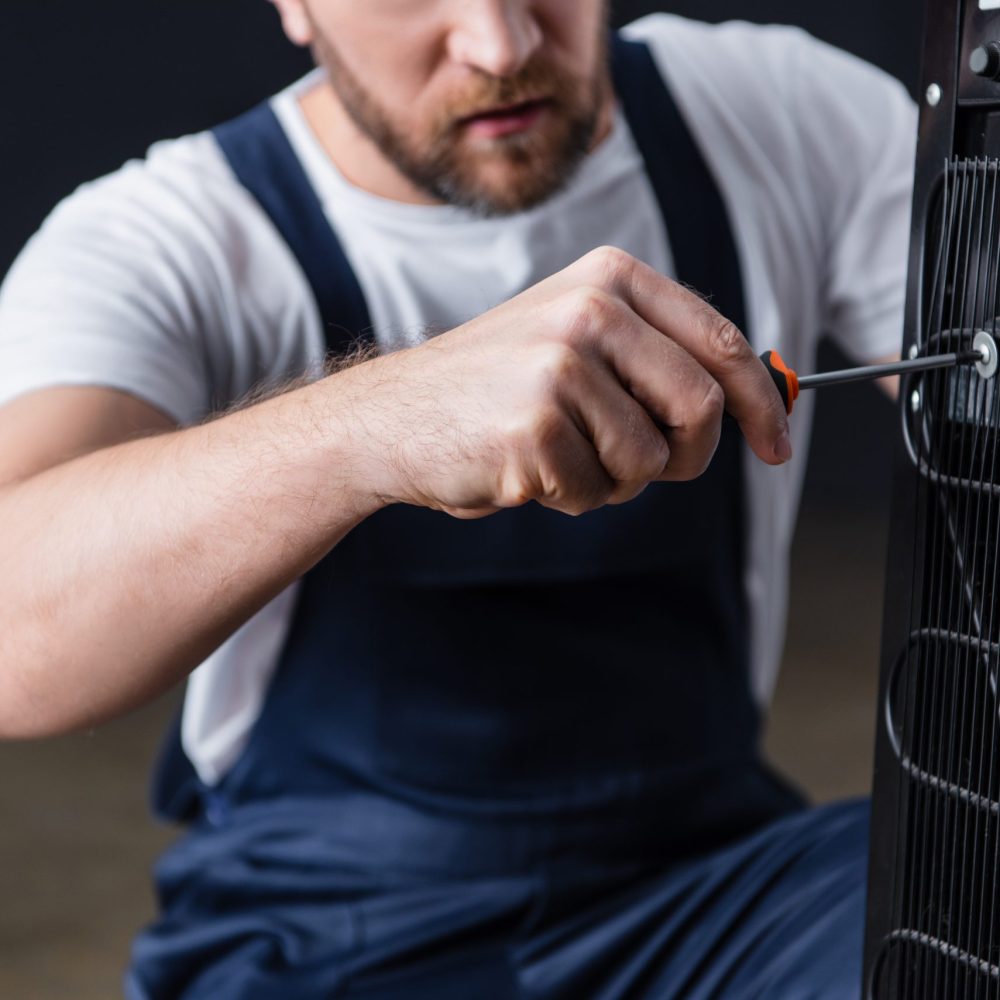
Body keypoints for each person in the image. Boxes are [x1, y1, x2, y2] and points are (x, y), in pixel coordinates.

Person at [0, 1, 915, 997]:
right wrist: (373, 422)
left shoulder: (768, 110)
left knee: (942, 886)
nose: (502, 45)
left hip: (718, 904)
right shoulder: (167, 236)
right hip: (323, 941)